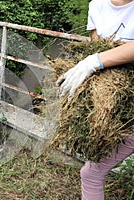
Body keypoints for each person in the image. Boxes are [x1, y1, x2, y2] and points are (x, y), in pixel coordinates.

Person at [56, 0, 134, 199]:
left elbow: (98, 57)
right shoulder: (97, 5)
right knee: (91, 173)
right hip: (125, 111)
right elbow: (96, 47)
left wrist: (95, 61)